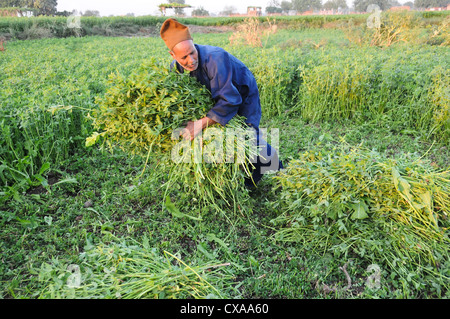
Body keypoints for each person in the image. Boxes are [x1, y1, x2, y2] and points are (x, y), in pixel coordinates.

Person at [160, 18, 282, 187]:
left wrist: (200, 124)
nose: (191, 60)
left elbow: (230, 99)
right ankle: (240, 176)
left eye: (192, 52)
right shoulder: (176, 69)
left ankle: (274, 168)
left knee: (246, 135)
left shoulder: (215, 58)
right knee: (224, 137)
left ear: (194, 44)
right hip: (219, 97)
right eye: (184, 57)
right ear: (173, 56)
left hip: (242, 93)